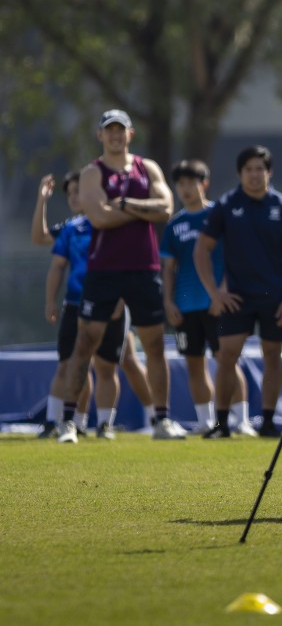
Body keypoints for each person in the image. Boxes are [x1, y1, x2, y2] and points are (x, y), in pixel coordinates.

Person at [60, 109, 185, 443]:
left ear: (130, 134)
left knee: (155, 345)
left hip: (145, 268)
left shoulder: (148, 168)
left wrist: (125, 203)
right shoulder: (92, 173)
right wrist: (143, 210)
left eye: (121, 130)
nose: (115, 135)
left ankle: (162, 420)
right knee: (85, 343)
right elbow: (98, 218)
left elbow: (167, 208)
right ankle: (69, 423)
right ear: (100, 135)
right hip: (103, 270)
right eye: (109, 130)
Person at [195, 145, 282, 438]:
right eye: (248, 170)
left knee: (273, 355)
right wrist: (215, 293)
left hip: (275, 296)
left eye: (259, 169)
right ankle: (221, 424)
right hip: (236, 296)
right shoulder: (226, 205)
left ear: (269, 172)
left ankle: (268, 421)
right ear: (240, 173)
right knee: (227, 355)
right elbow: (202, 250)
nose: (254, 175)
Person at [31, 170, 133, 439]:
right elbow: (52, 258)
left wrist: (121, 299)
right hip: (76, 305)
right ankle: (59, 423)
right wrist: (50, 300)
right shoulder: (71, 228)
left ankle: (104, 425)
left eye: (81, 191)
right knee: (69, 364)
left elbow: (129, 265)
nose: (76, 197)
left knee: (106, 367)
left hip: (111, 305)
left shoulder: (115, 224)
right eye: (71, 193)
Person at [160, 159, 251, 435]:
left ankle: (242, 420)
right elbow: (168, 268)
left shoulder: (218, 216)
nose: (186, 189)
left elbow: (234, 257)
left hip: (218, 303)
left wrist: (219, 294)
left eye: (192, 183)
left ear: (204, 184)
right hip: (186, 306)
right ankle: (205, 421)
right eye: (181, 184)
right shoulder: (174, 225)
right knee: (194, 363)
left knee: (227, 359)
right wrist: (168, 301)